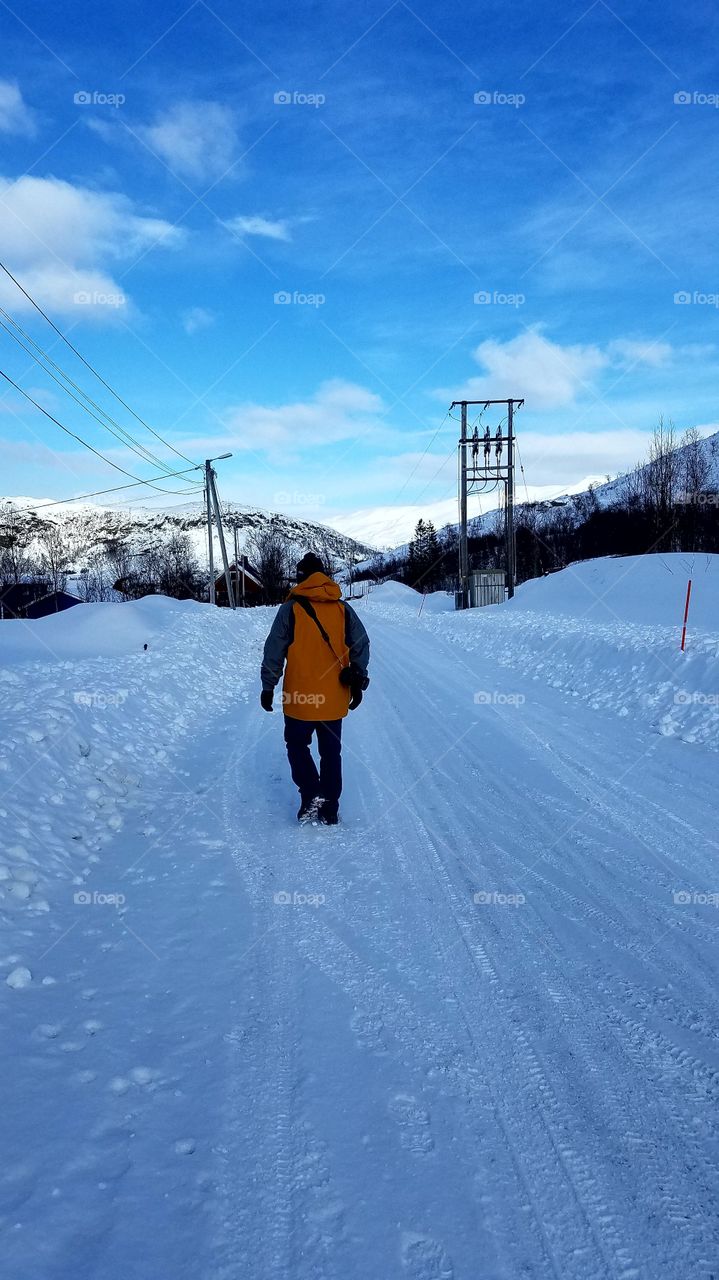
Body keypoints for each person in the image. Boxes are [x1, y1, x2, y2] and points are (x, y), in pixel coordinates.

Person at [260, 552, 370, 825]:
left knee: (297, 746)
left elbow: (274, 649)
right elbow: (361, 644)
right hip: (333, 698)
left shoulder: (291, 609)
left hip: (299, 697)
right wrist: (358, 679)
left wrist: (268, 685)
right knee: (331, 752)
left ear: (301, 578)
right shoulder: (342, 609)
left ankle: (311, 794)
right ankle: (330, 806)